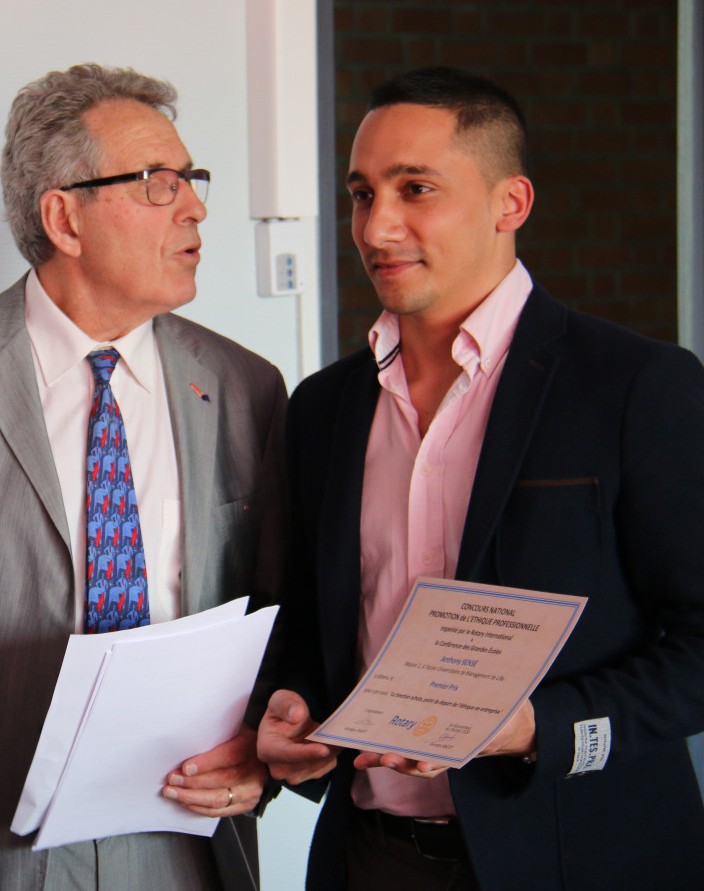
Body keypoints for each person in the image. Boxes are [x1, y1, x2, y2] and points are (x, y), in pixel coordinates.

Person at [258, 65, 704, 889]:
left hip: (586, 859)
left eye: (415, 188)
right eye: (361, 194)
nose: (376, 226)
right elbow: (305, 622)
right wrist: (285, 705)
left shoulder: (638, 386)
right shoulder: (322, 408)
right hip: (371, 860)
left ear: (512, 205)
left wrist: (539, 724)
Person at [0, 64, 286, 891]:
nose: (194, 207)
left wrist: (262, 747)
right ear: (64, 216)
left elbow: (275, 617)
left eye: (194, 181)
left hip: (185, 844)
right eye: (160, 183)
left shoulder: (245, 388)